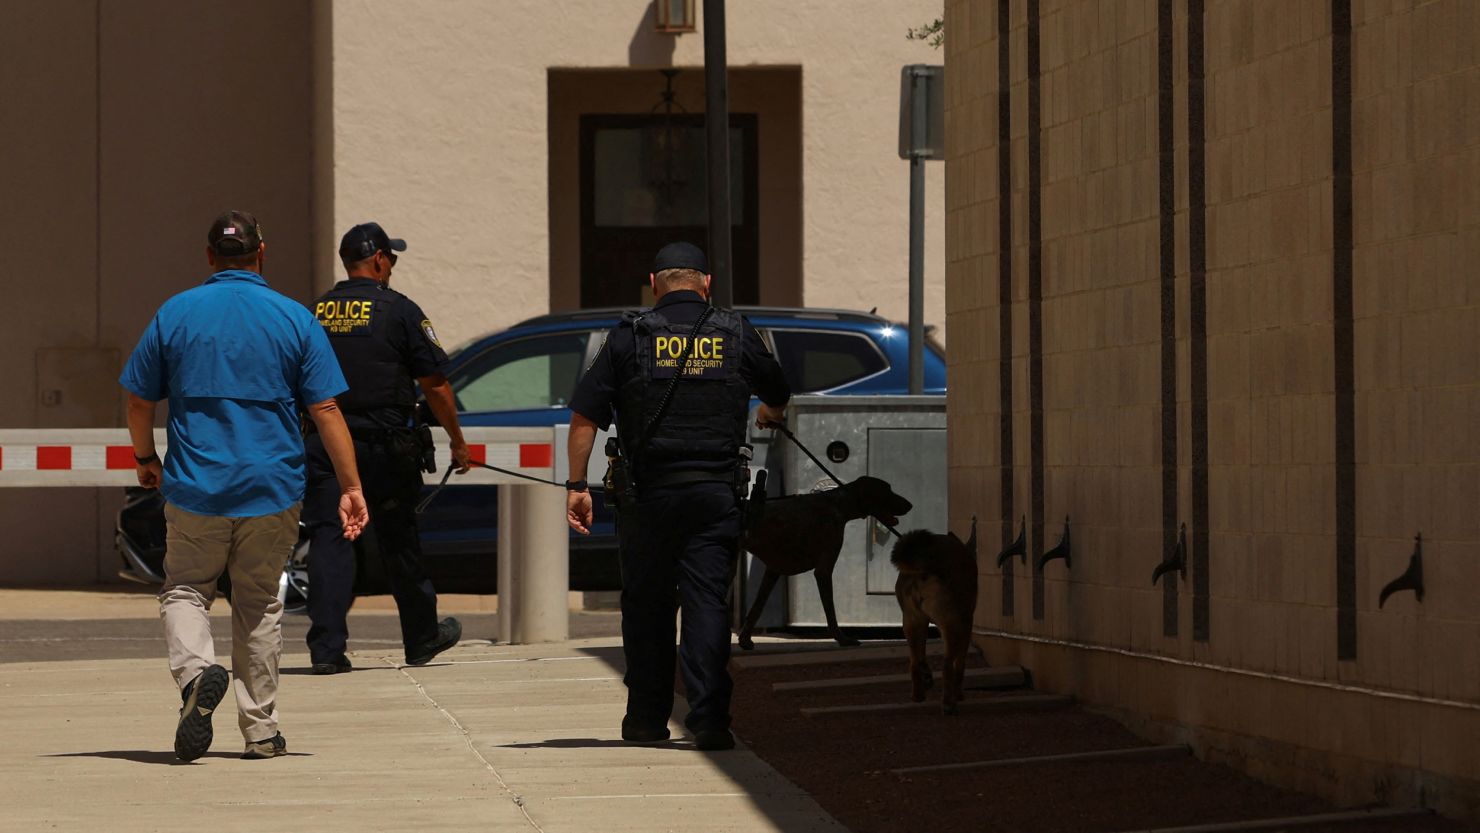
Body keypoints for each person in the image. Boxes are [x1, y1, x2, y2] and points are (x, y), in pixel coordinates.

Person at [120, 210, 369, 762]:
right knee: (258, 604)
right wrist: (350, 486)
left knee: (185, 590)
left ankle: (197, 675)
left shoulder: (175, 313)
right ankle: (261, 731)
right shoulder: (293, 318)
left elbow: (139, 399)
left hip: (196, 486)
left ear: (210, 257)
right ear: (262, 252)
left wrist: (145, 457)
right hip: (273, 487)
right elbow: (325, 407)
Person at [564, 242, 790, 751]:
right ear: (705, 282)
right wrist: (769, 413)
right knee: (707, 604)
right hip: (714, 495)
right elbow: (779, 388)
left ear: (654, 282)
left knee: (647, 606)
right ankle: (709, 721)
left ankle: (646, 719)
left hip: (647, 498)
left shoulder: (631, 336)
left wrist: (577, 486)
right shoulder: (735, 333)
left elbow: (584, 418)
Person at [301, 222, 469, 675]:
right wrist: (456, 439)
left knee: (328, 541)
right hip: (385, 447)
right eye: (390, 258)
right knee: (399, 541)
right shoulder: (400, 311)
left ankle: (326, 650)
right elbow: (435, 385)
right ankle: (420, 638)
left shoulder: (314, 312)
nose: (391, 265)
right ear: (378, 260)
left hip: (326, 446)